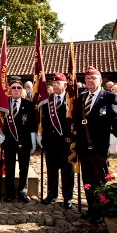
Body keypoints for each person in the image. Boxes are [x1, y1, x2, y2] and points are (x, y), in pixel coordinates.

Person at [75, 66, 117, 224]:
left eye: (93, 78)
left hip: (100, 146)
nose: (90, 81)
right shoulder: (81, 98)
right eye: (87, 79)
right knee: (88, 180)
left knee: (100, 180)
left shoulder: (110, 97)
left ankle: (102, 211)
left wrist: (114, 143)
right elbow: (77, 123)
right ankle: (91, 208)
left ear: (100, 80)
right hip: (84, 147)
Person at [38, 73, 74, 209]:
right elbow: (45, 120)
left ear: (65, 84)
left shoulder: (71, 99)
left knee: (67, 171)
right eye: (53, 84)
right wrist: (41, 136)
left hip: (66, 141)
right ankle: (51, 194)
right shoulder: (48, 101)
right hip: (51, 141)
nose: (55, 86)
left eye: (58, 83)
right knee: (51, 170)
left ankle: (67, 197)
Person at [1, 76, 37, 203]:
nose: (16, 90)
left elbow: (32, 124)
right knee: (9, 168)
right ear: (10, 90)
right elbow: (1, 123)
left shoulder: (29, 105)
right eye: (13, 88)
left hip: (24, 141)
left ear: (22, 90)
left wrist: (34, 141)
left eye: (18, 88)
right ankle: (9, 192)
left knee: (24, 168)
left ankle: (22, 191)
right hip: (9, 141)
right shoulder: (4, 105)